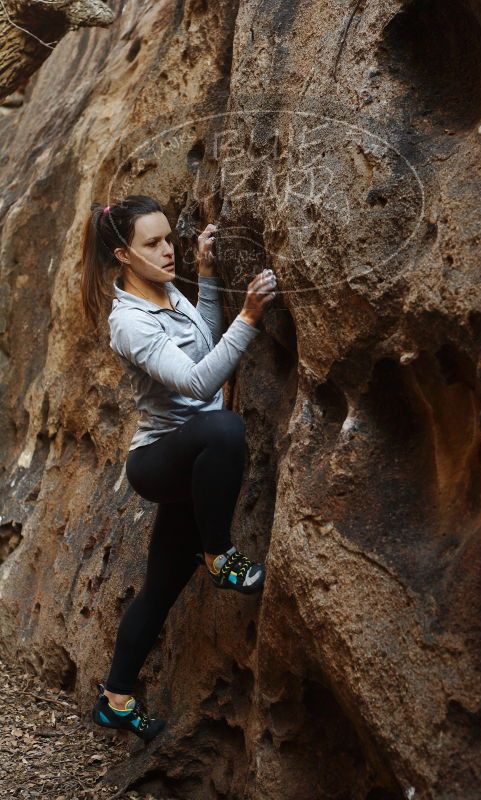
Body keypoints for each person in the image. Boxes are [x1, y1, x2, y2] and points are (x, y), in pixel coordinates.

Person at [79, 195, 277, 742]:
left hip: (196, 459)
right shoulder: (130, 322)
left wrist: (207, 277)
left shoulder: (168, 294)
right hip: (159, 460)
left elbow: (205, 346)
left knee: (160, 589)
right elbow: (197, 383)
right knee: (225, 428)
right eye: (153, 244)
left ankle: (116, 699)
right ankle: (220, 554)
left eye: (169, 239)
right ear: (123, 254)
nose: (169, 251)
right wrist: (251, 317)